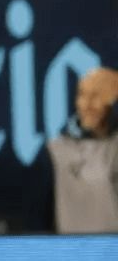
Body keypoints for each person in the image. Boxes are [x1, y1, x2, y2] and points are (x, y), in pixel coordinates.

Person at [47, 67, 118, 233]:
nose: (85, 104)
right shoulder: (56, 151)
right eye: (82, 95)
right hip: (73, 246)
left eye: (96, 96)